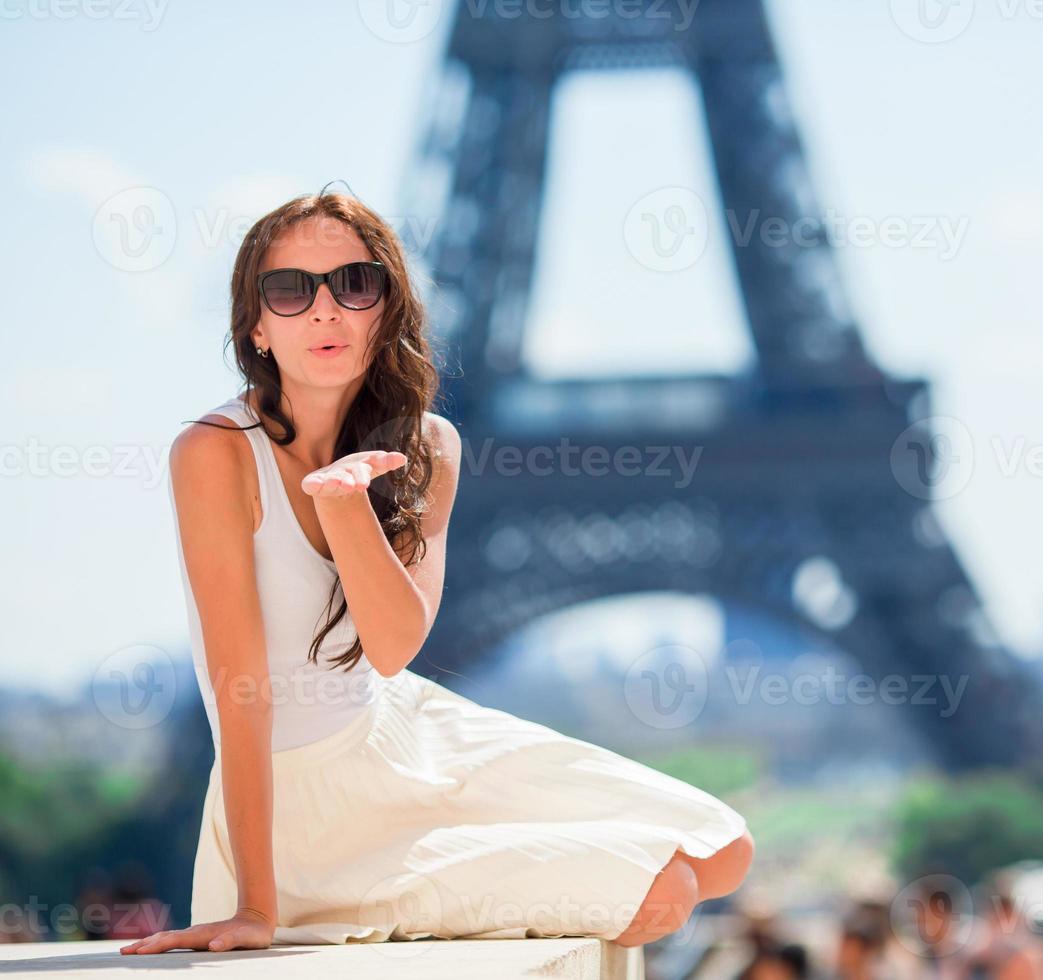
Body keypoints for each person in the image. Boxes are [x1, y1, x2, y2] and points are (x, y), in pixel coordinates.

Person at [121, 187, 753, 954]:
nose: (324, 310)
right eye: (289, 290)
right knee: (664, 888)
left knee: (722, 853)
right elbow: (239, 693)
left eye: (353, 284)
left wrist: (348, 507)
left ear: (387, 308)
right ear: (255, 324)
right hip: (311, 804)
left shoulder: (430, 446)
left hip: (406, 730)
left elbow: (391, 647)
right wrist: (256, 904)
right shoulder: (215, 452)